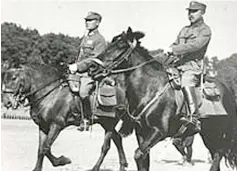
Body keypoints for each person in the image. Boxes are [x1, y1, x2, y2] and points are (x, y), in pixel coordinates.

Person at [164, 1, 212, 134]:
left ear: (202, 13)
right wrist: (167, 51)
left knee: (186, 80)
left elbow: (195, 46)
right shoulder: (184, 29)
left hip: (193, 67)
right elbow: (175, 43)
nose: (190, 14)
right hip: (178, 65)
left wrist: (174, 49)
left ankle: (193, 117)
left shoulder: (205, 30)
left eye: (194, 11)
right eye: (189, 11)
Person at [69, 11, 107, 131]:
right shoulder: (86, 38)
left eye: (90, 20)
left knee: (83, 92)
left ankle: (87, 119)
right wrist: (74, 66)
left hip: (91, 73)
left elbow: (94, 59)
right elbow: (81, 56)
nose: (87, 23)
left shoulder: (99, 40)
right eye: (86, 20)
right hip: (80, 71)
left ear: (98, 23)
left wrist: (78, 66)